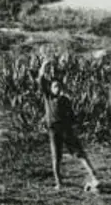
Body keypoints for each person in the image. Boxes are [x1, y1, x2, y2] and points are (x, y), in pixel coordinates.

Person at [38, 57, 102, 191]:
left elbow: (72, 118)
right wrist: (45, 65)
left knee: (80, 154)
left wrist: (74, 128)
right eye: (55, 86)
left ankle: (94, 176)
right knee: (56, 157)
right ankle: (58, 183)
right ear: (50, 88)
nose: (57, 88)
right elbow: (41, 78)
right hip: (54, 130)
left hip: (66, 130)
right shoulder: (48, 97)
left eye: (59, 86)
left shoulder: (65, 101)